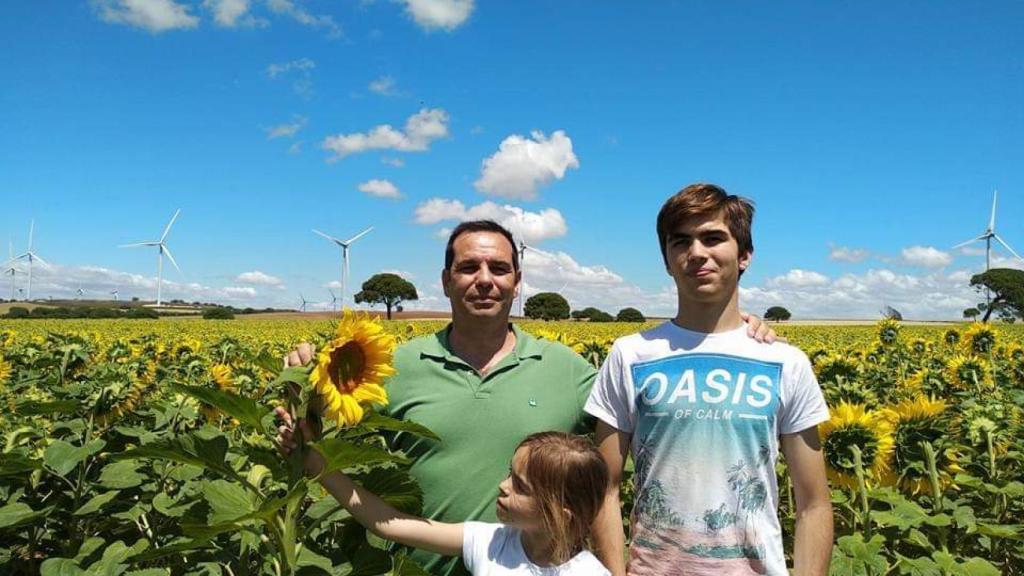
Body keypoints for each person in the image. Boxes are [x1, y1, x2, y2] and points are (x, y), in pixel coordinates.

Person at [284, 219, 779, 576]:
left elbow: (645, 433)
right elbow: (318, 428)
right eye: (468, 267)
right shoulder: (390, 366)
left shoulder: (570, 370)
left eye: (499, 268)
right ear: (446, 280)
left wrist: (729, 333)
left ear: (516, 283)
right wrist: (306, 374)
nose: (484, 279)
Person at [585, 184, 833, 576]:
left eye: (713, 238)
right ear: (667, 261)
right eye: (680, 242)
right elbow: (605, 489)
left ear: (745, 255)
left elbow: (813, 504)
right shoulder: (630, 355)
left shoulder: (785, 362)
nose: (697, 252)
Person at [275, 415, 613, 576]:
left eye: (521, 487)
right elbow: (388, 524)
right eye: (509, 473)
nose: (503, 485)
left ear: (559, 515)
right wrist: (316, 462)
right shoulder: (491, 542)